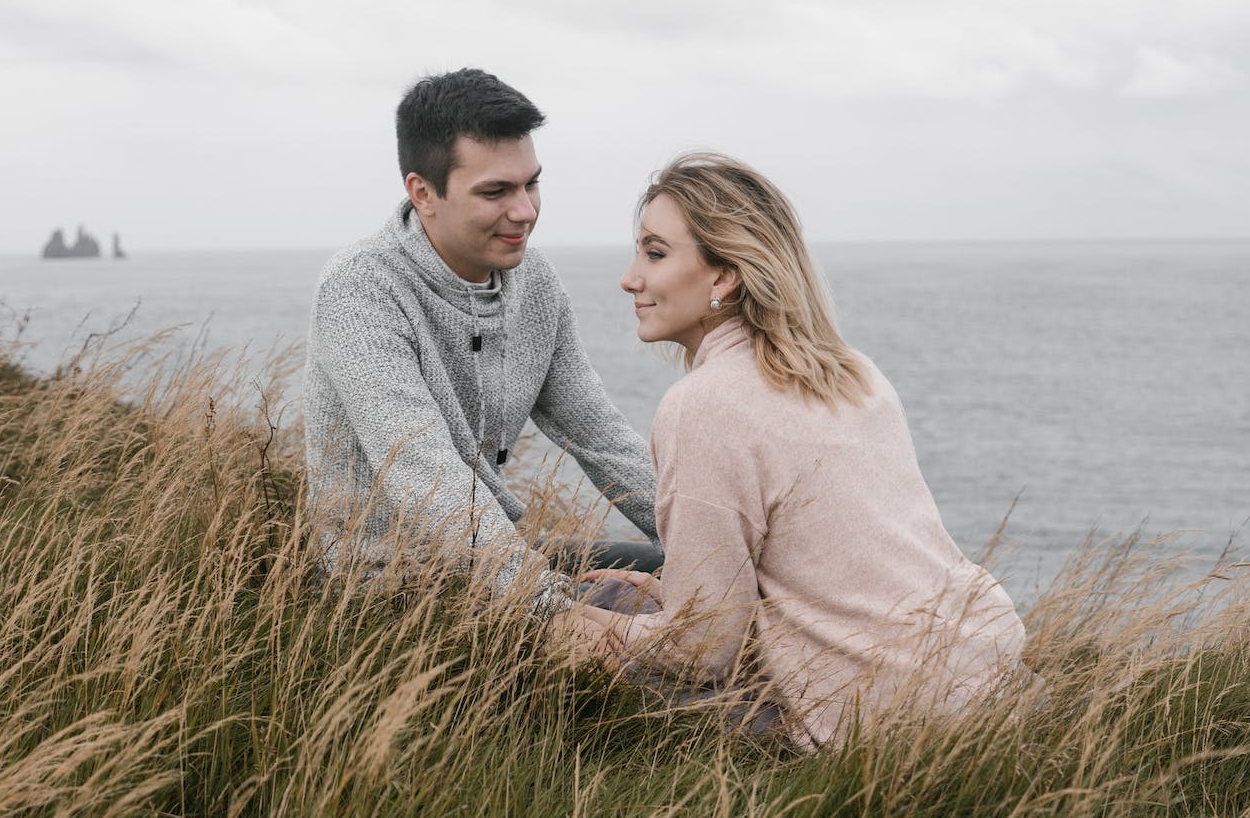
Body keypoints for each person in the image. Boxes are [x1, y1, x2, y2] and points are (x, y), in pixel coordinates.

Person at [565, 153, 1034, 750]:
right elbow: (832, 573)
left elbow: (702, 650)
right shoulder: (856, 374)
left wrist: (580, 623)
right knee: (630, 586)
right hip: (984, 679)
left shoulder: (702, 406)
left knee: (576, 609)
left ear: (725, 276)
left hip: (878, 724)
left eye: (655, 254)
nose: (630, 278)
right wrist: (660, 595)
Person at [304, 68, 661, 612]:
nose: (525, 211)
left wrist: (714, 549)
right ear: (423, 193)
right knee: (665, 646)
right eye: (495, 191)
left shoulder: (535, 281)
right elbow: (425, 473)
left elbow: (599, 433)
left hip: (498, 558)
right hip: (389, 584)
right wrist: (557, 612)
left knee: (704, 579)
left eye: (531, 183)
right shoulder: (360, 289)